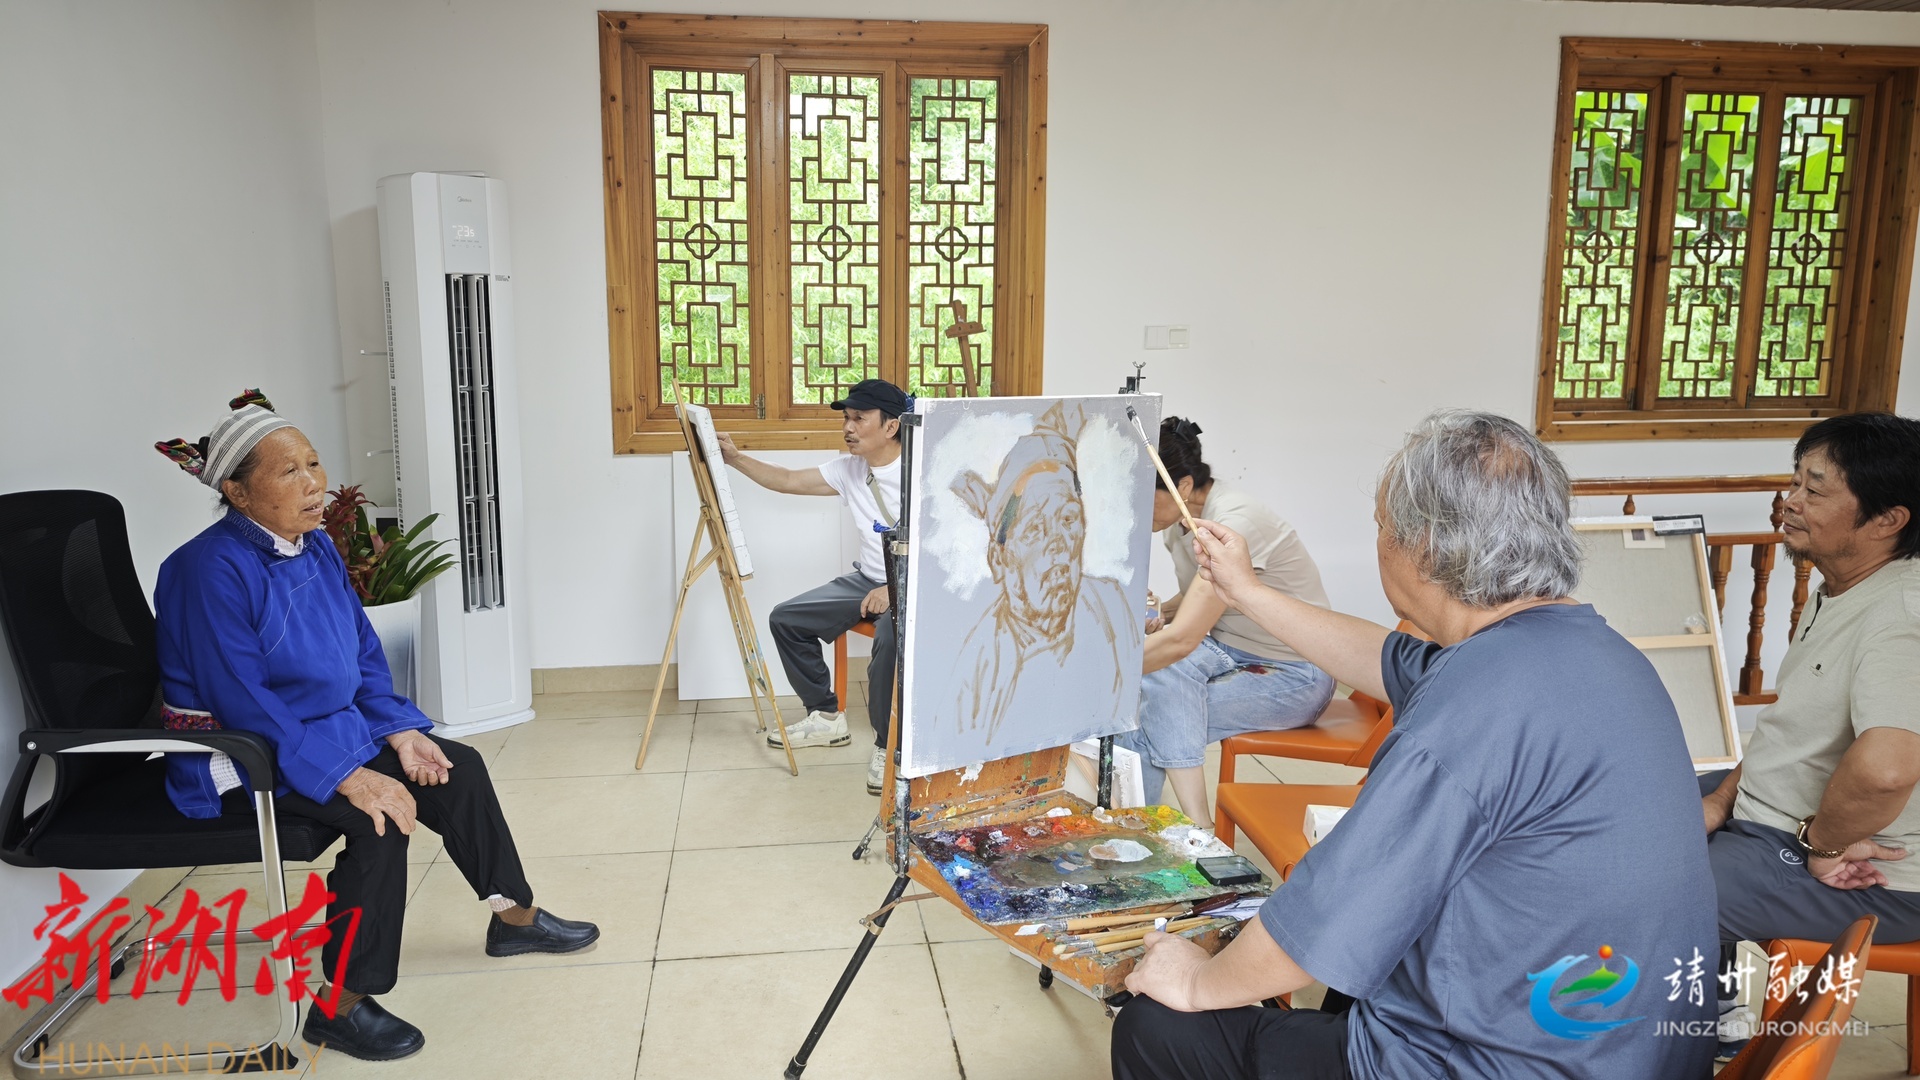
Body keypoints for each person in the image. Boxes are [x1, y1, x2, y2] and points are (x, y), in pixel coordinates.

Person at [1112, 410, 1715, 1080]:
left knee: (1158, 1028)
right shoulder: (1594, 654)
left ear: (1423, 544)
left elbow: (1320, 928)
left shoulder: (1469, 713)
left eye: (1380, 525)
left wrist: (1196, 981)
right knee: (1353, 987)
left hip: (1498, 1063)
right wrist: (1247, 593)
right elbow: (1383, 658)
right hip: (1626, 1051)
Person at [152, 391, 598, 1063]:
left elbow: (361, 649)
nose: (314, 483)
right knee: (379, 818)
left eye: (314, 463)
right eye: (290, 471)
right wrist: (351, 778)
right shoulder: (204, 568)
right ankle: (341, 1005)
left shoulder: (314, 547)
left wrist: (399, 731)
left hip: (326, 731)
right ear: (239, 493)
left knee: (457, 769)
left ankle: (514, 917)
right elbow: (242, 701)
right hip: (243, 752)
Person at [1700, 412, 1920, 1054]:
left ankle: (1676, 1042)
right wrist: (1721, 798)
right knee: (1627, 807)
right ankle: (1711, 1005)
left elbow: (1887, 769)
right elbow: (1791, 729)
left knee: (1653, 884)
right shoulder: (1842, 587)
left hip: (1871, 873)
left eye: (1815, 490)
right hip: (1779, 818)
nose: (1790, 501)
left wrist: (1823, 843)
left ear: (1887, 520)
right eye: (1794, 481)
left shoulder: (1901, 616)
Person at [1114, 417, 1335, 827]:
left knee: (1145, 712)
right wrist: (1158, 612)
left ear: (1182, 486)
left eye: (1142, 497)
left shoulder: (1233, 522)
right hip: (1227, 650)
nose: (1133, 509)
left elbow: (1182, 640)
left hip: (1295, 672)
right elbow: (1199, 602)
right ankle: (1161, 827)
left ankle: (1183, 830)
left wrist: (1100, 679)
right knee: (1157, 684)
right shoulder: (1178, 522)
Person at [715, 378, 908, 795]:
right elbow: (787, 479)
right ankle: (826, 717)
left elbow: (952, 546)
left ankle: (886, 746)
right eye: (846, 418)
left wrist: (896, 590)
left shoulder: (924, 471)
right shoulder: (850, 469)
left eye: (860, 419)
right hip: (867, 578)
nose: (848, 428)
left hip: (913, 585)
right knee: (787, 619)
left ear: (891, 426)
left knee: (890, 640)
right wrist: (734, 458)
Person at [934, 401, 1136, 742]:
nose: (1058, 544)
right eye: (1034, 529)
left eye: (1068, 519)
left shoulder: (1110, 604)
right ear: (999, 559)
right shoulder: (976, 673)